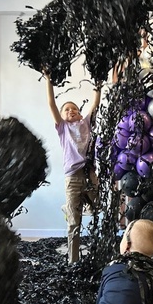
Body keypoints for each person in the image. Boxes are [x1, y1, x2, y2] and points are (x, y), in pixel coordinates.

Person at [44, 72, 102, 263]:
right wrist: (49, 81)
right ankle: (73, 260)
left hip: (90, 173)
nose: (71, 111)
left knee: (98, 207)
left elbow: (95, 104)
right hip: (73, 176)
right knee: (73, 223)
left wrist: (98, 85)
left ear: (80, 113)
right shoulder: (63, 128)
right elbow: (52, 104)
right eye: (67, 109)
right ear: (61, 116)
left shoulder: (86, 123)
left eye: (74, 108)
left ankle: (71, 207)